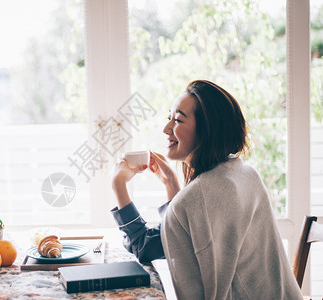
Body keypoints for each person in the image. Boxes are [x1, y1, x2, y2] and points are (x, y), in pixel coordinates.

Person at [110, 80, 302, 299]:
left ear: (207, 130)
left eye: (178, 120)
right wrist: (172, 185)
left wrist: (118, 185)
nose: (166, 129)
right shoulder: (243, 174)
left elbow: (146, 248)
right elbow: (185, 230)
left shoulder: (199, 196)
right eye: (169, 118)